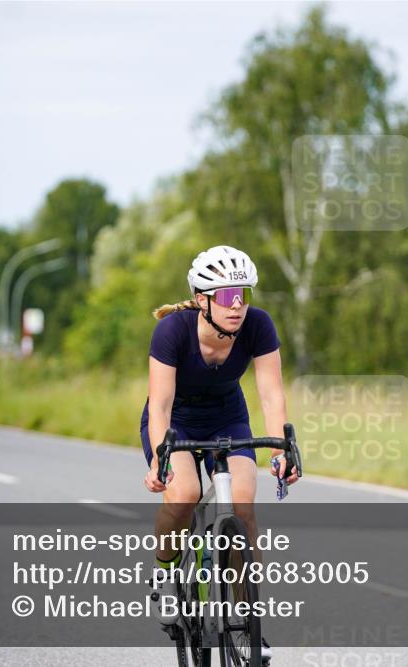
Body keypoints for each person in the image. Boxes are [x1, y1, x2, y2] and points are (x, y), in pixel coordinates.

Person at [141, 245, 299, 658]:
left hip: (228, 417)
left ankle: (247, 619)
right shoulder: (173, 331)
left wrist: (283, 450)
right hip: (176, 420)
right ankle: (164, 574)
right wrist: (161, 458)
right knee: (185, 494)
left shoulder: (258, 326)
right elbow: (158, 404)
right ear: (201, 300)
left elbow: (270, 395)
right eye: (227, 297)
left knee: (243, 505)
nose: (237, 306)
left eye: (243, 295)